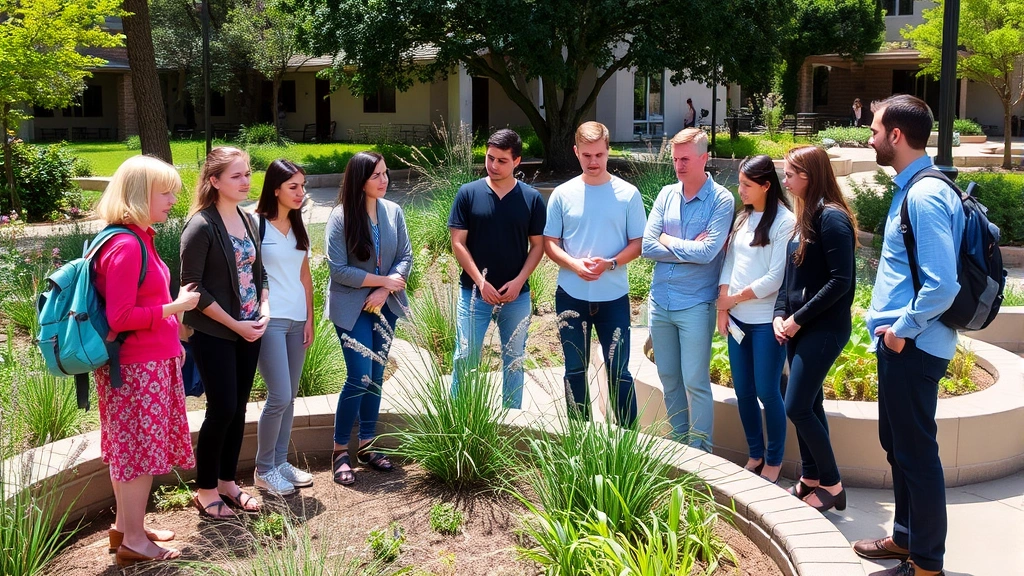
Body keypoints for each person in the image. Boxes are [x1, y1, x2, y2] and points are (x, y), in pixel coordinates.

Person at [853, 95, 963, 576]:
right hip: (903, 344)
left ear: (896, 136)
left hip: (914, 348)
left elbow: (944, 284)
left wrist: (900, 330)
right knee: (898, 445)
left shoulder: (924, 194)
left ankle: (927, 564)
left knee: (916, 454)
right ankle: (905, 539)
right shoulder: (912, 187)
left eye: (875, 130)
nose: (871, 137)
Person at [93, 155, 199, 566]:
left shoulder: (136, 237)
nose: (174, 198)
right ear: (139, 195)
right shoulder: (125, 245)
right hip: (138, 368)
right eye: (166, 191)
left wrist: (174, 336)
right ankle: (134, 541)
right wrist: (176, 308)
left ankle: (126, 527)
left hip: (145, 362)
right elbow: (121, 317)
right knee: (138, 454)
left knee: (132, 450)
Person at [181, 146, 269, 519]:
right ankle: (205, 490)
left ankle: (228, 482)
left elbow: (259, 275)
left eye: (248, 173)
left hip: (251, 329)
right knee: (222, 410)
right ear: (214, 181)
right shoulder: (201, 225)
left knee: (239, 410)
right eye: (237, 175)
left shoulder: (249, 219)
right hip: (217, 332)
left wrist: (263, 310)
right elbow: (193, 287)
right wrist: (235, 324)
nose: (246, 181)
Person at [543, 121, 647, 426]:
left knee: (619, 371)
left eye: (599, 154)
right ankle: (579, 439)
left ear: (608, 151)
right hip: (571, 296)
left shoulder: (628, 194)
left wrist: (611, 264)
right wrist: (574, 265)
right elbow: (550, 243)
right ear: (576, 152)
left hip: (614, 298)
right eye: (587, 155)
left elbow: (637, 243)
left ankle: (630, 441)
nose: (593, 161)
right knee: (575, 369)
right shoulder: (562, 194)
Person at [773, 145, 856, 513]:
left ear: (809, 176)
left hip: (823, 329)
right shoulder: (804, 216)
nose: (785, 180)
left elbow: (841, 282)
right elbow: (790, 276)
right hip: (799, 327)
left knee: (797, 406)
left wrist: (797, 319)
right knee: (811, 402)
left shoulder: (831, 218)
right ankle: (810, 477)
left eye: (790, 174)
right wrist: (780, 313)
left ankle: (833, 484)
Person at [641, 128, 735, 452]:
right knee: (669, 379)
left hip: (696, 304)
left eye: (685, 159)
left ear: (703, 158)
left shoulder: (721, 200)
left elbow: (708, 253)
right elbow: (646, 246)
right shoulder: (667, 194)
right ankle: (680, 448)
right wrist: (684, 248)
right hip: (660, 301)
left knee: (696, 382)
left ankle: (702, 451)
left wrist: (668, 240)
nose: (679, 166)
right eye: (675, 159)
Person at [326, 151, 412, 485]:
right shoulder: (340, 217)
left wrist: (384, 291)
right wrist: (382, 282)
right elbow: (339, 270)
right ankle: (339, 451)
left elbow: (405, 255)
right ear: (360, 180)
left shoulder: (394, 212)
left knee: (376, 376)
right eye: (376, 175)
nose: (384, 180)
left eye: (386, 173)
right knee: (359, 375)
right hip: (351, 308)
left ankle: (367, 445)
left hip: (385, 306)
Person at [448, 129, 546, 409]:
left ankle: (511, 423)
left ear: (517, 161)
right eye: (490, 158)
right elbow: (458, 243)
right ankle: (458, 421)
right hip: (474, 293)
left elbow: (537, 246)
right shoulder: (468, 193)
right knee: (465, 356)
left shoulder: (531, 198)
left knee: (514, 360)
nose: (493, 165)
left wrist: (519, 282)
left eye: (502, 160)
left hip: (517, 296)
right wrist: (481, 282)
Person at [717, 154, 795, 480]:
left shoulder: (785, 222)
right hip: (737, 321)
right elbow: (730, 263)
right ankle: (755, 454)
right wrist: (724, 307)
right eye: (739, 183)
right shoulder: (741, 218)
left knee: (767, 391)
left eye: (747, 185)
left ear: (766, 185)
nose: (740, 190)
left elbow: (775, 279)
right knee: (744, 392)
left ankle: (774, 461)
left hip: (766, 322)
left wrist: (733, 298)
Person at [252, 160, 315, 495]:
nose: (300, 193)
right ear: (275, 188)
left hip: (296, 321)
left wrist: (310, 320)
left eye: (302, 186)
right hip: (271, 320)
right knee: (278, 395)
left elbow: (305, 277)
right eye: (293, 186)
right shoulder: (256, 224)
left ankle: (279, 462)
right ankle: (264, 469)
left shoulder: (298, 226)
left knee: (290, 398)